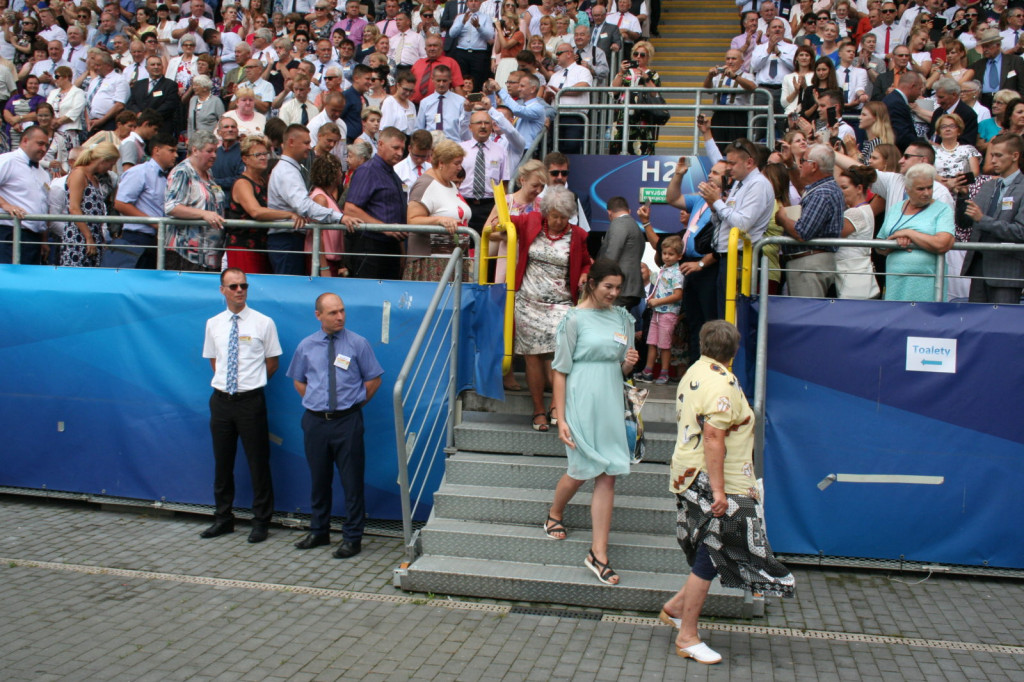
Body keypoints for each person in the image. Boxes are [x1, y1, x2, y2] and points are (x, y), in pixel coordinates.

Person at [662, 320, 794, 665]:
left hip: (690, 474)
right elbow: (713, 437)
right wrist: (719, 491)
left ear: (704, 344)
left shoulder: (696, 370)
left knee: (714, 549)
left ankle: (676, 609)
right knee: (711, 554)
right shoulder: (724, 384)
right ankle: (687, 636)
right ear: (735, 350)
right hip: (716, 481)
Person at [543, 258, 639, 586]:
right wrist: (561, 416)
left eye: (618, 287)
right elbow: (560, 369)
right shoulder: (574, 319)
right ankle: (555, 513)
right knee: (580, 470)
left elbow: (622, 370)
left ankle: (598, 553)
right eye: (607, 286)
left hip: (611, 399)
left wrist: (628, 363)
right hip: (580, 398)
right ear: (591, 284)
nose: (613, 293)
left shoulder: (624, 318)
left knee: (608, 473)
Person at [287, 292, 384, 559]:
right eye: (332, 312)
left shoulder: (357, 343)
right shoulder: (306, 346)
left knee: (351, 482)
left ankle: (352, 538)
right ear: (318, 315)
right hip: (315, 422)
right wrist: (317, 402)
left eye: (341, 310)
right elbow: (299, 380)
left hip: (347, 422)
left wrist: (354, 404)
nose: (340, 316)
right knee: (319, 480)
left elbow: (374, 378)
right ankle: (319, 531)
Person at [491, 186, 592, 432]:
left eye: (564, 216)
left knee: (561, 356)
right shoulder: (531, 221)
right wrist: (499, 226)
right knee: (532, 358)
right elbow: (498, 223)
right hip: (528, 302)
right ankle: (538, 409)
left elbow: (587, 262)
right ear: (546, 212)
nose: (559, 221)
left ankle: (557, 406)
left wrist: (584, 275)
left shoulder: (578, 235)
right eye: (555, 215)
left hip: (562, 304)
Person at [200, 267, 282, 543]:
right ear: (222, 290)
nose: (239, 291)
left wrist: (249, 383)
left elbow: (272, 363)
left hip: (251, 401)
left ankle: (261, 521)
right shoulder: (213, 323)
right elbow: (215, 361)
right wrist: (228, 385)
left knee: (258, 463)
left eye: (243, 286)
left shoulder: (263, 323)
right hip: (221, 402)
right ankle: (223, 518)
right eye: (233, 286)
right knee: (222, 463)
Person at [227, 134, 307, 274]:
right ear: (245, 159)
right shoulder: (242, 183)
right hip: (244, 247)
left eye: (265, 153)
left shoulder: (263, 181)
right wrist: (289, 215)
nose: (264, 157)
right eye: (258, 154)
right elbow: (256, 212)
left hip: (262, 246)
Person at [775, 144, 846, 297]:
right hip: (809, 263)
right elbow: (803, 188)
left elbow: (802, 232)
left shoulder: (822, 193)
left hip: (809, 264)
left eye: (803, 160)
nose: (800, 164)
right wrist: (790, 165)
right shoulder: (823, 188)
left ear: (813, 166)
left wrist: (782, 218)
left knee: (805, 315)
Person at [877, 163, 955, 301]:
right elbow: (879, 244)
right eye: (920, 189)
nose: (927, 193)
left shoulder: (942, 210)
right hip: (895, 282)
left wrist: (909, 233)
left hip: (926, 284)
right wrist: (894, 244)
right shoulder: (896, 208)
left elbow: (943, 243)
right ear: (908, 189)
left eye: (930, 187)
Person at [962, 132, 1024, 303]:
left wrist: (983, 220)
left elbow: (1021, 231)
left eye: (998, 155)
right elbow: (964, 222)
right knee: (976, 324)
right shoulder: (988, 186)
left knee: (1002, 325)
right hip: (979, 266)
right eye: (991, 155)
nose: (993, 161)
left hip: (1006, 270)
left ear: (1015, 156)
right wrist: (962, 197)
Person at [343, 126, 408, 280]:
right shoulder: (368, 170)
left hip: (390, 246)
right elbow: (350, 209)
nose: (399, 153)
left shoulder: (392, 173)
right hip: (371, 246)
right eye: (395, 148)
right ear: (380, 144)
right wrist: (384, 228)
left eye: (402, 149)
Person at [405, 138, 471, 281]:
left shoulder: (450, 183)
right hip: (433, 264)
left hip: (454, 260)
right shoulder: (425, 185)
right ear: (441, 163)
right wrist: (440, 220)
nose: (460, 168)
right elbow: (412, 220)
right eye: (456, 163)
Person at [164, 129, 226, 272]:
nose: (214, 155)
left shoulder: (208, 173)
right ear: (195, 150)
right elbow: (171, 206)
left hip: (210, 254)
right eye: (209, 151)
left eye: (215, 151)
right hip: (186, 254)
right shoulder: (182, 172)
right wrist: (203, 214)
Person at [113, 133, 177, 269]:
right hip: (137, 238)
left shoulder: (166, 177)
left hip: (156, 238)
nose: (176, 155)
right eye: (171, 150)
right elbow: (120, 203)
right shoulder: (139, 172)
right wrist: (155, 223)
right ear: (156, 150)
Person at [0, 126, 56, 264]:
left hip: (34, 238)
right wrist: (6, 205)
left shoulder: (43, 173)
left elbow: (42, 205)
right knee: (10, 279)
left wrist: (43, 240)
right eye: (40, 143)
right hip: (10, 232)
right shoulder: (7, 161)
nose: (44, 149)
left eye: (47, 145)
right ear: (25, 141)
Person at [60, 141, 118, 268]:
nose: (110, 168)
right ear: (103, 160)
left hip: (93, 235)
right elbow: (74, 208)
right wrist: (88, 237)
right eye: (110, 164)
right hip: (79, 237)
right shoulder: (79, 174)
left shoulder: (94, 178)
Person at [635, 234, 683, 384]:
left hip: (668, 312)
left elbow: (678, 295)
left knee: (664, 344)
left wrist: (658, 301)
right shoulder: (662, 270)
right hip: (657, 312)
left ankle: (664, 372)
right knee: (652, 342)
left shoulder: (677, 273)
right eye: (664, 254)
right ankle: (648, 371)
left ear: (679, 256)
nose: (667, 257)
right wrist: (652, 299)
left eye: (671, 254)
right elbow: (658, 288)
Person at [835, 164, 882, 299]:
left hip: (853, 274)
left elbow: (834, 232)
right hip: (852, 271)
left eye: (844, 187)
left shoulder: (856, 213)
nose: (840, 192)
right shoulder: (866, 209)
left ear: (859, 188)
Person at [609, 40, 662, 156]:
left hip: (644, 117)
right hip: (623, 117)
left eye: (642, 55)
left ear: (648, 57)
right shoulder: (625, 72)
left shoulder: (652, 74)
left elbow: (656, 94)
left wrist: (646, 78)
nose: (638, 57)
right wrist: (620, 72)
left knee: (642, 150)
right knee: (618, 150)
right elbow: (614, 91)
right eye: (635, 54)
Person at [597, 196, 645, 310]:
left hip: (620, 288)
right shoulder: (635, 226)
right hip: (631, 287)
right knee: (621, 324)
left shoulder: (619, 223)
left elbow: (611, 255)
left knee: (611, 324)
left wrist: (598, 278)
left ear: (609, 212)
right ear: (628, 211)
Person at [308, 153, 349, 277]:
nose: (341, 174)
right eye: (338, 171)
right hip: (323, 260)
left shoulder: (327, 196)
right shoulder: (320, 198)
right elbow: (317, 234)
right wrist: (323, 266)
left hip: (331, 258)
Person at [3, 75, 45, 149]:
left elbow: (39, 114)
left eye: (36, 84)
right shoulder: (15, 97)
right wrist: (14, 123)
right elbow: (6, 111)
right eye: (31, 83)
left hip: (29, 133)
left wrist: (19, 118)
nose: (33, 86)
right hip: (13, 134)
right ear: (25, 85)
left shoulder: (41, 99)